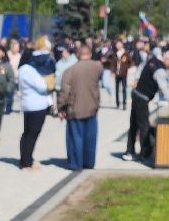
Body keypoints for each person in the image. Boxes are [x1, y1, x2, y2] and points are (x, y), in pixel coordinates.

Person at [126, 49, 169, 163]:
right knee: (144, 126)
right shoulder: (160, 70)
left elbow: (140, 68)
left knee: (134, 125)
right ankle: (144, 154)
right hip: (142, 98)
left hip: (137, 95)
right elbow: (164, 89)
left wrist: (136, 80)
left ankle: (130, 152)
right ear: (167, 59)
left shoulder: (152, 60)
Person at [58, 42, 103, 171]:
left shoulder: (70, 71)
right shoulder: (97, 67)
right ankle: (89, 163)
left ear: (78, 55)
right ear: (90, 54)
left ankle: (76, 164)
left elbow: (64, 92)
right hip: (92, 107)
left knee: (76, 138)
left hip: (75, 108)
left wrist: (61, 108)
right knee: (90, 138)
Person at [17, 38, 56, 170]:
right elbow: (42, 86)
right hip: (37, 106)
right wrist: (49, 85)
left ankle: (25, 159)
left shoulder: (22, 69)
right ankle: (27, 162)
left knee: (27, 133)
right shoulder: (28, 70)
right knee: (32, 134)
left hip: (28, 104)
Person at [114, 40, 131, 110]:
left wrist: (126, 68)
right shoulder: (115, 53)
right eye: (117, 44)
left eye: (119, 44)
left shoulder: (126, 53)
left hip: (124, 74)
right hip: (117, 73)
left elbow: (130, 62)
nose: (118, 46)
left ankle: (124, 103)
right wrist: (113, 71)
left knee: (124, 89)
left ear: (122, 45)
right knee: (117, 89)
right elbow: (112, 63)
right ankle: (117, 103)